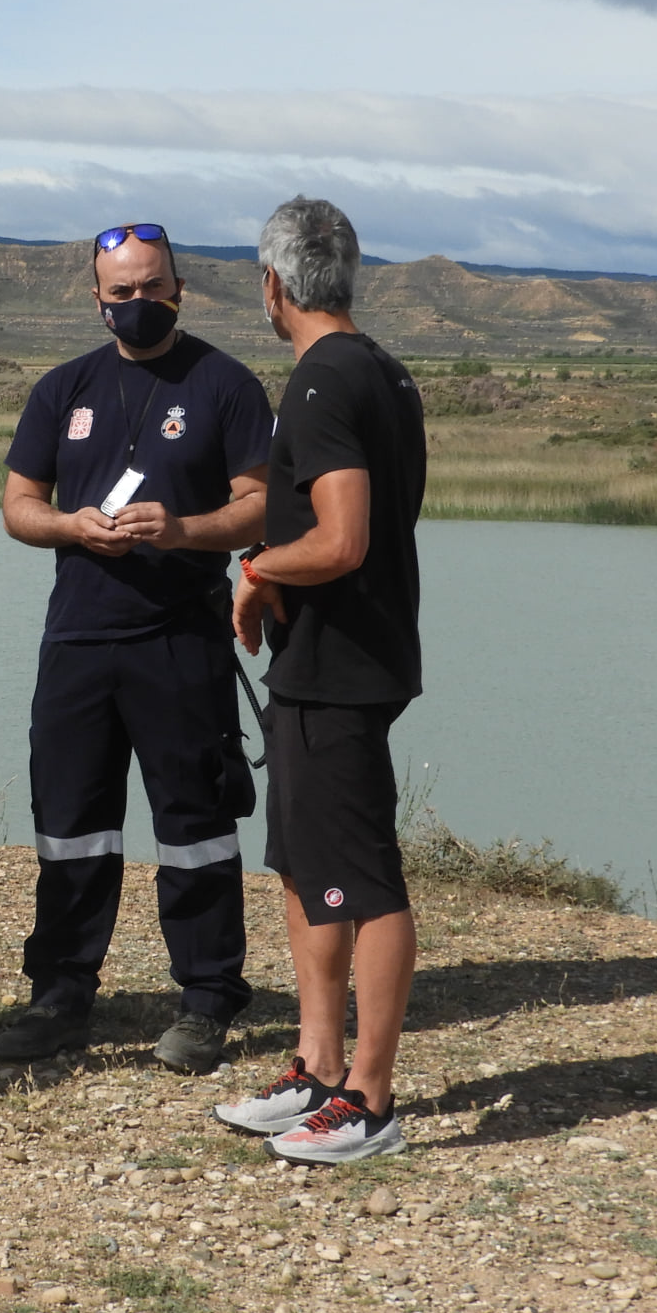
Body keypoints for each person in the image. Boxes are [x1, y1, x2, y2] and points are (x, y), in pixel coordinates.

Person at [0, 222, 273, 1074]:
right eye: (122, 292)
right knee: (71, 823)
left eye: (153, 287)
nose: (138, 302)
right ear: (98, 299)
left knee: (194, 827)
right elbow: (18, 506)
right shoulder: (63, 388)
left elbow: (261, 505)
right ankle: (60, 993)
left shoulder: (226, 384)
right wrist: (70, 526)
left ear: (180, 290)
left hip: (180, 637)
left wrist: (183, 529)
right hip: (78, 639)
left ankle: (206, 999)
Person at [212, 197, 426, 1164]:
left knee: (366, 880)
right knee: (303, 861)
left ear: (273, 285)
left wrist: (258, 568)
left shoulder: (322, 380)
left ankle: (369, 1101)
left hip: (342, 666)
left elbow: (342, 541)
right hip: (330, 663)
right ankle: (317, 1067)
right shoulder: (381, 369)